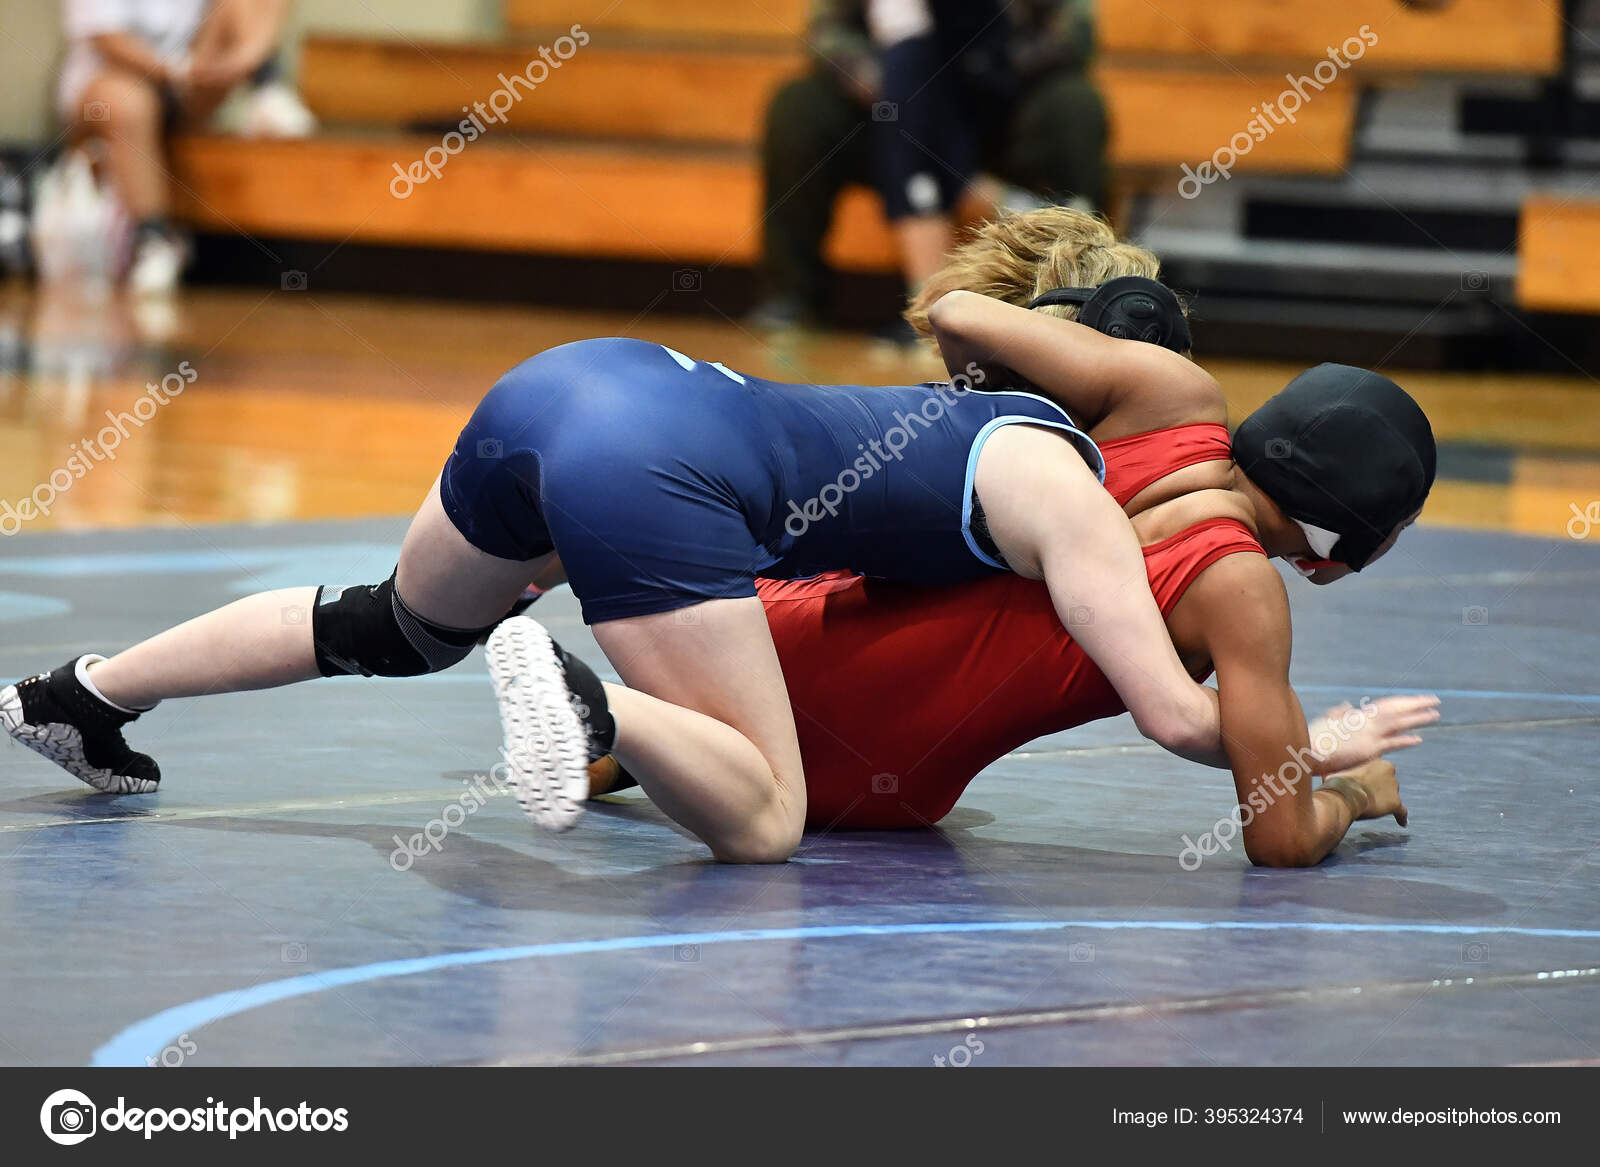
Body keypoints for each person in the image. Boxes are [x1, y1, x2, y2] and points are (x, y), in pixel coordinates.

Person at [2, 262, 1227, 866]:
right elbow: (1171, 715)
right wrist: (1307, 757)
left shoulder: (947, 413)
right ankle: (593, 700)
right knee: (766, 822)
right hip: (658, 470)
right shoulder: (1063, 491)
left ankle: (82, 696)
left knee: (396, 627)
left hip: (575, 380)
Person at [574, 209, 1440, 866]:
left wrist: (1057, 372)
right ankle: (630, 726)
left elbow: (958, 313)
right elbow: (1280, 835)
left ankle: (630, 730)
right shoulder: (1241, 589)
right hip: (873, 769)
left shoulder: (1173, 396)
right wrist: (1350, 786)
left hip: (764, 629)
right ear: (1345, 542)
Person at [754, 0, 1107, 337]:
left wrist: (981, 71)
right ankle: (798, 298)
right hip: (887, 95)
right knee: (800, 107)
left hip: (1008, 94)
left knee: (1076, 105)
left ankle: (1085, 292)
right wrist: (891, 83)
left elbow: (1074, 35)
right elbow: (828, 34)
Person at [58, 0, 312, 295]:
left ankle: (266, 86)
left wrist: (208, 68)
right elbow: (107, 39)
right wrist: (176, 70)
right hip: (115, 82)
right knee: (126, 104)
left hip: (188, 83)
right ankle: (152, 239)